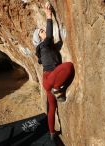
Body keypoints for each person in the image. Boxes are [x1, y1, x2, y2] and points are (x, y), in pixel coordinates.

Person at [32, 2, 74, 141]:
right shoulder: (44, 45)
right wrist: (49, 15)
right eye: (41, 32)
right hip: (51, 79)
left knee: (52, 108)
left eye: (42, 30)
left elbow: (53, 42)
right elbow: (49, 36)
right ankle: (57, 88)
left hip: (47, 79)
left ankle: (51, 132)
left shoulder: (44, 49)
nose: (43, 31)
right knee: (68, 66)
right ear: (39, 39)